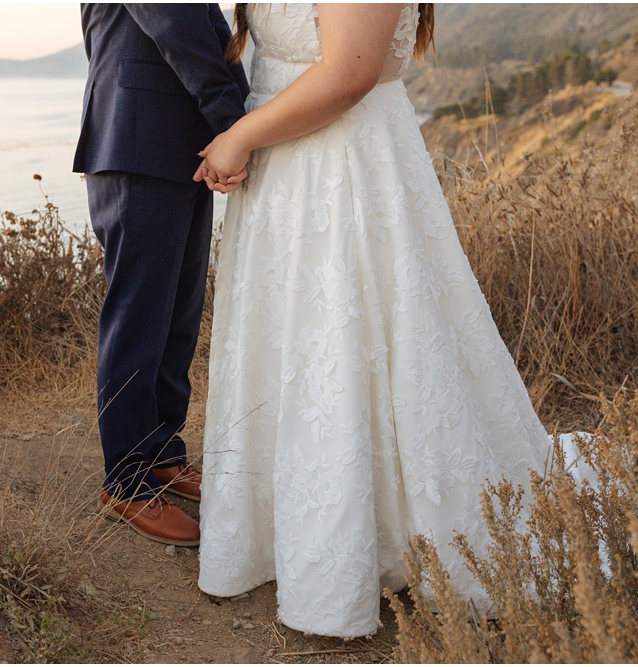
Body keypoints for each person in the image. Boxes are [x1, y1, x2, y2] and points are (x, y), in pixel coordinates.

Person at [194, 4, 556, 638]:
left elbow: (349, 72)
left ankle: (366, 550)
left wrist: (240, 137)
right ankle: (294, 533)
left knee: (346, 343)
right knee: (304, 348)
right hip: (293, 161)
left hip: (339, 164)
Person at [73, 3, 249, 546]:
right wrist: (236, 121)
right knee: (139, 318)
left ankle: (162, 454)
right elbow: (176, 23)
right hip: (137, 138)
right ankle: (125, 480)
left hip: (175, 140)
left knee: (177, 315)